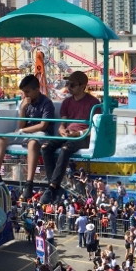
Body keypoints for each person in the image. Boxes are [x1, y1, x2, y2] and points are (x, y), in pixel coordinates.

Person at [0, 75, 55, 194]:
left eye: (27, 92)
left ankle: (29, 182)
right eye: (24, 92)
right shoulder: (25, 103)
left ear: (36, 90)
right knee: (2, 139)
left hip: (41, 133)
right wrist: (23, 108)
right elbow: (21, 125)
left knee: (33, 143)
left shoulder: (47, 103)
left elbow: (43, 126)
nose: (25, 95)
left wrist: (23, 131)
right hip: (25, 131)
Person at [39, 71, 101, 204]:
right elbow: (63, 124)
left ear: (82, 86)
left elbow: (94, 129)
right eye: (68, 84)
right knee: (45, 147)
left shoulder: (94, 103)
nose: (68, 87)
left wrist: (77, 134)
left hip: (83, 136)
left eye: (72, 85)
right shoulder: (67, 102)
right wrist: (62, 130)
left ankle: (52, 187)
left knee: (66, 149)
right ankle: (54, 187)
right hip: (69, 133)